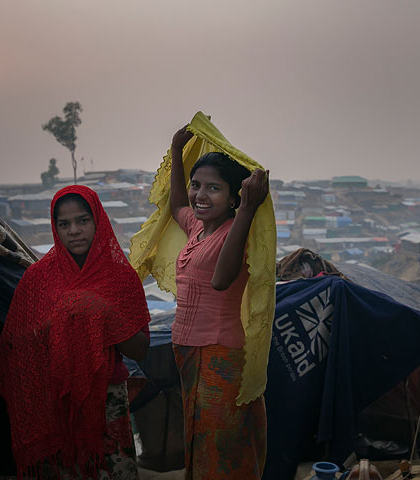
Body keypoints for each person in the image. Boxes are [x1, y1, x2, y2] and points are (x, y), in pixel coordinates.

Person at [0, 185, 151, 479]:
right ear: (55, 228)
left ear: (98, 220)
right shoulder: (37, 280)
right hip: (53, 406)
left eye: (83, 220)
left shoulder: (120, 277)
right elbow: (16, 347)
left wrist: (102, 312)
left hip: (106, 401)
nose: (74, 231)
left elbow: (140, 350)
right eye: (64, 224)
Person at [169, 125, 270, 479]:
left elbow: (221, 279)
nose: (200, 195)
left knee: (221, 447)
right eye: (198, 184)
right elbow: (177, 203)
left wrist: (248, 208)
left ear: (232, 198)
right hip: (189, 352)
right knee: (198, 440)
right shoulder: (199, 228)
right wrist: (177, 151)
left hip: (220, 354)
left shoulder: (234, 230)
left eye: (213, 188)